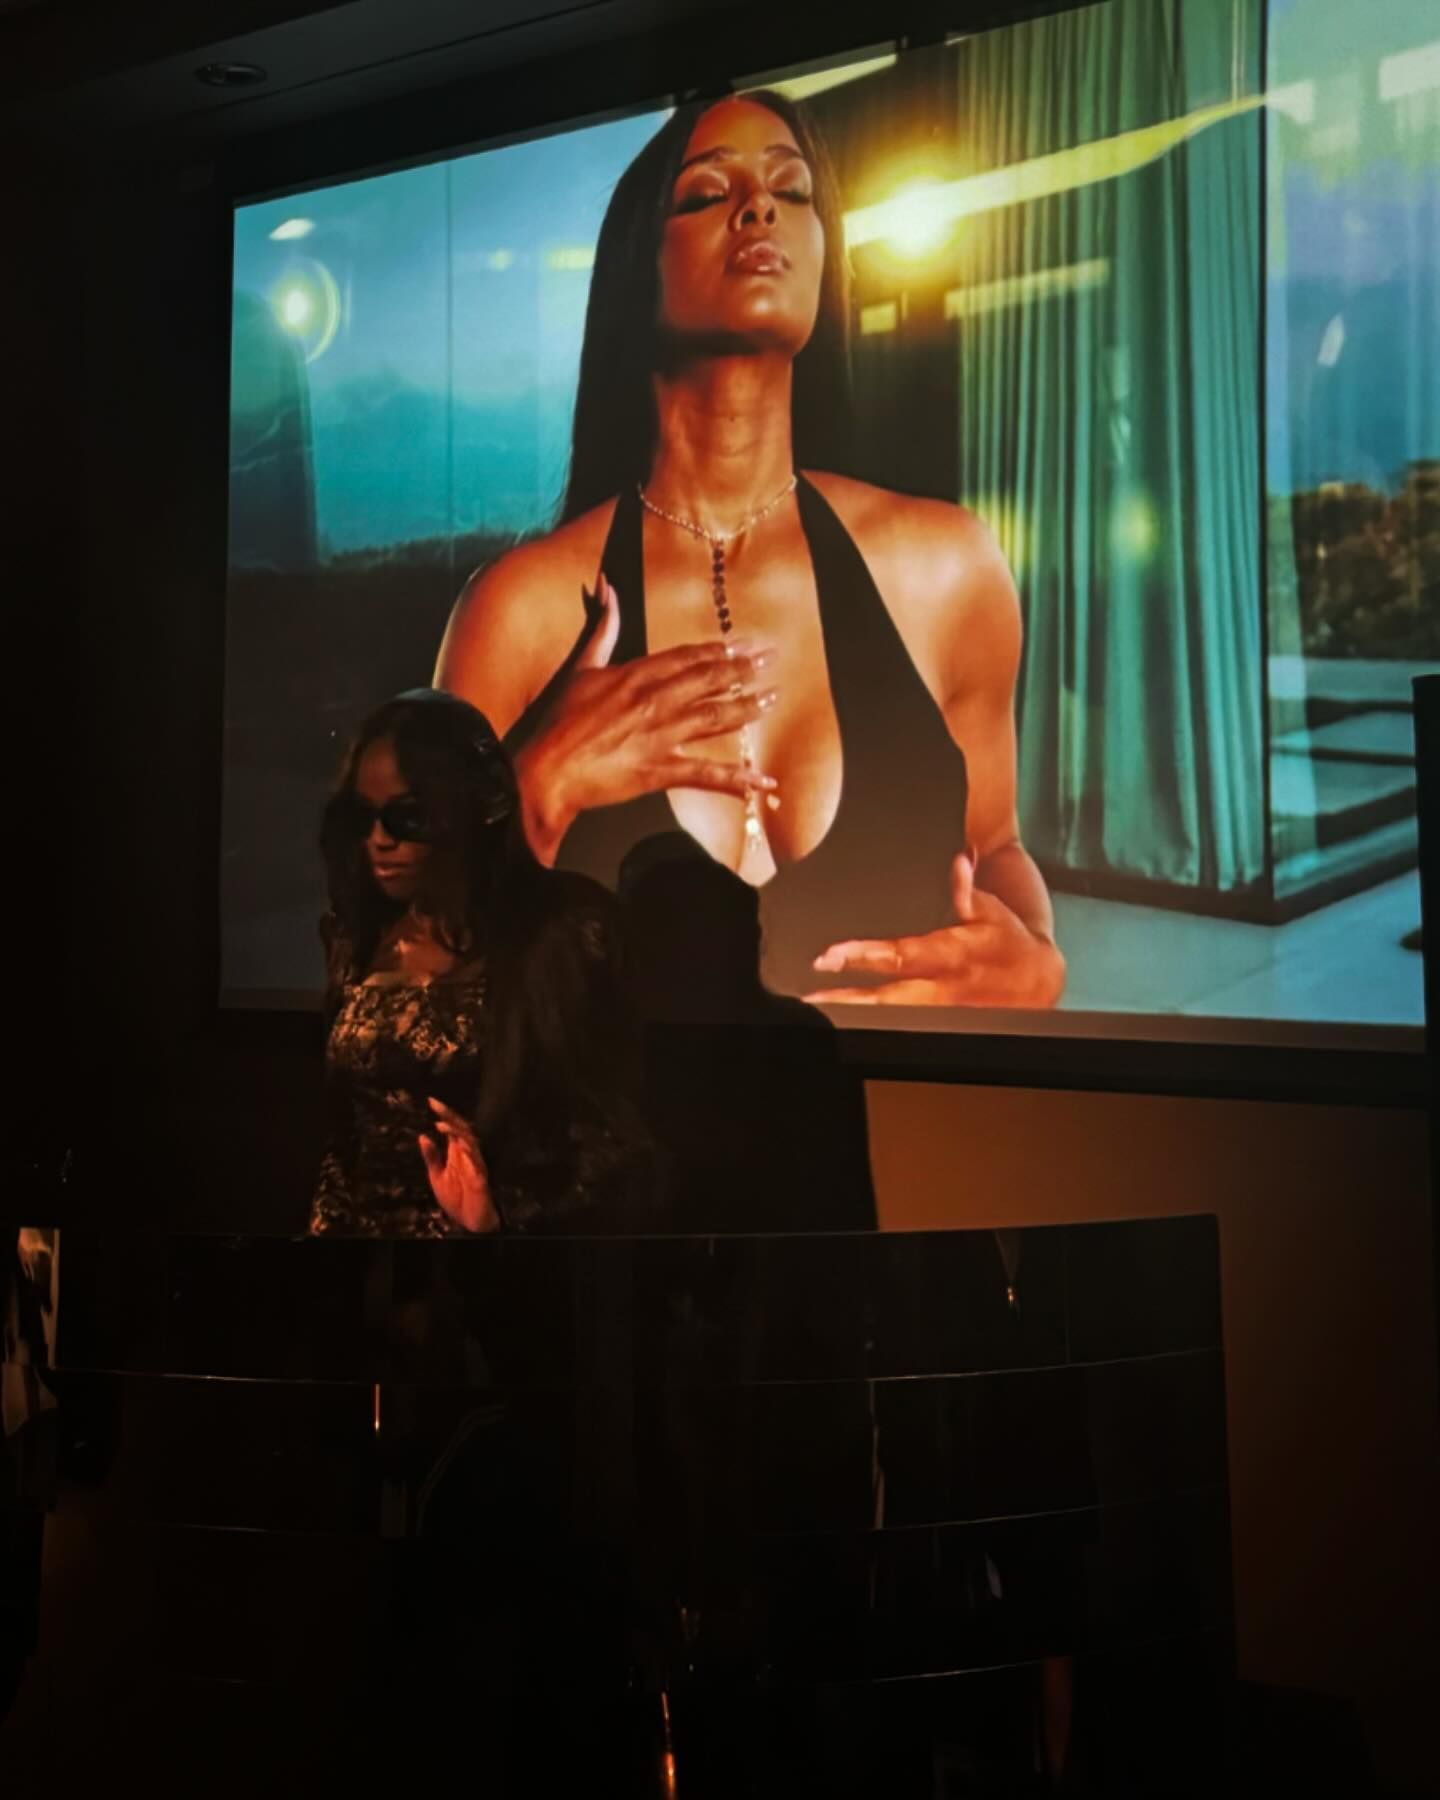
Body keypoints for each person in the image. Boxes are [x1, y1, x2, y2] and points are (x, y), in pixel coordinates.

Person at [435, 90, 1064, 1009]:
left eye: (791, 190)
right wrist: (538, 789)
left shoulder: (945, 569)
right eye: (706, 194)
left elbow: (997, 846)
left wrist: (1037, 957)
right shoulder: (520, 611)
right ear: (637, 265)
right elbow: (421, 977)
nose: (759, 208)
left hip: (898, 1107)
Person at [308, 688, 646, 1237]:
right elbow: (341, 1137)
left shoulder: (556, 933)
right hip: (362, 1262)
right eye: (363, 817)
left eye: (408, 816)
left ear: (468, 810)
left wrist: (494, 1220)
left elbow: (605, 1143)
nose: (379, 840)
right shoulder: (357, 935)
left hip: (493, 1264)